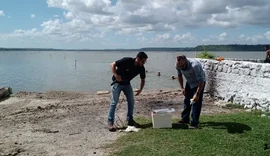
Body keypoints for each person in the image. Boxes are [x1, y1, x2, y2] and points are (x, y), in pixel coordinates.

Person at [108, 52, 148, 131]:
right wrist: (116, 75)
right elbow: (112, 64)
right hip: (117, 83)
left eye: (145, 62)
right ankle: (110, 122)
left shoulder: (141, 68)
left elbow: (143, 80)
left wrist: (140, 90)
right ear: (137, 59)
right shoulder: (127, 60)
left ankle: (130, 120)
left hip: (127, 84)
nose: (144, 63)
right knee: (114, 102)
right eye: (143, 61)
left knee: (131, 101)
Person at [175, 55, 206, 129]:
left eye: (182, 66)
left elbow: (201, 81)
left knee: (196, 101)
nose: (181, 68)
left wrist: (197, 94)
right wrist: (182, 88)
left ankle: (194, 122)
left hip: (199, 83)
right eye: (179, 66)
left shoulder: (195, 66)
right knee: (187, 99)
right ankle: (185, 118)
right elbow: (179, 76)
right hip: (189, 82)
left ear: (186, 61)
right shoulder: (178, 65)